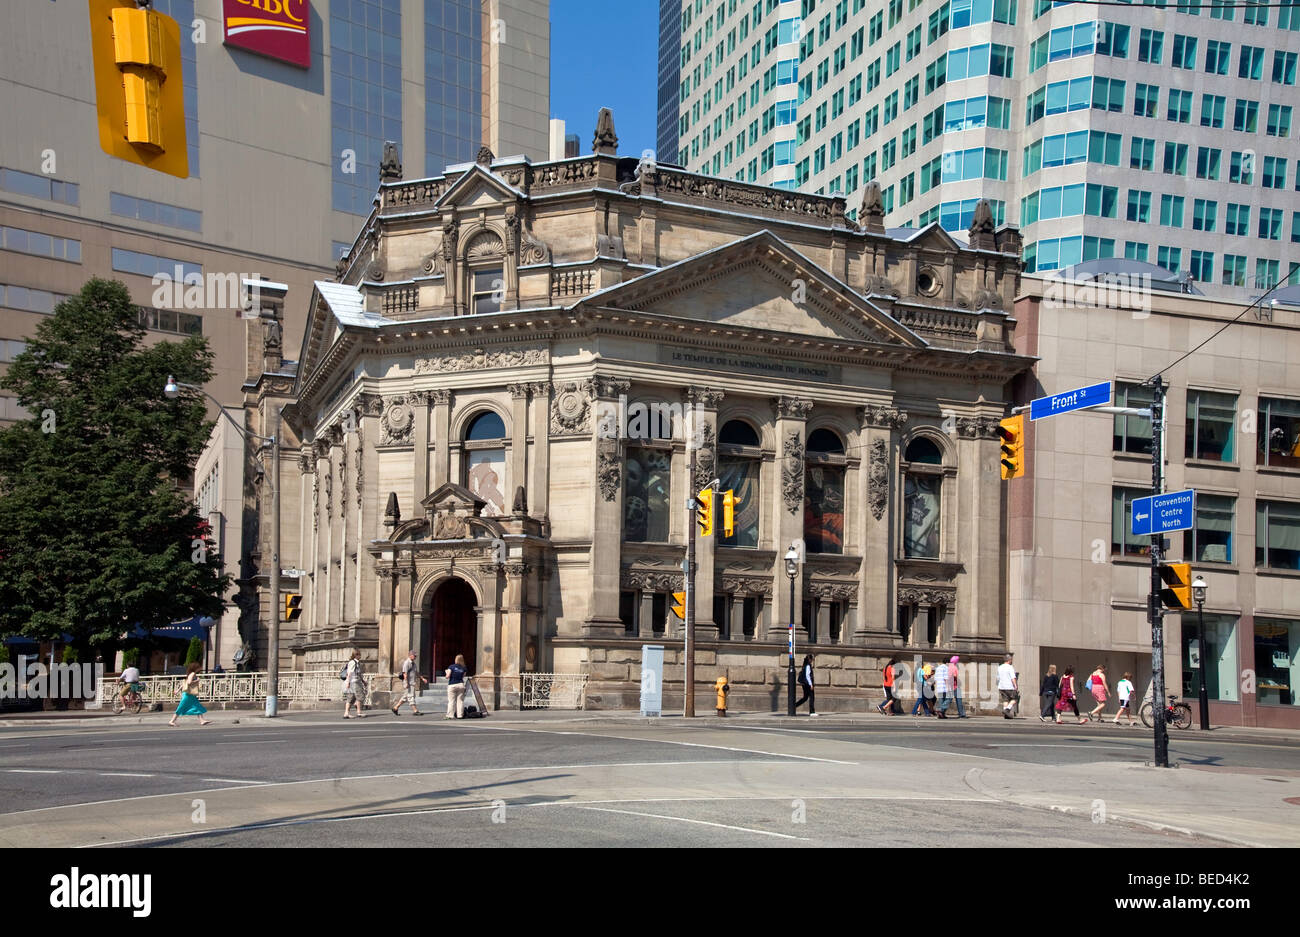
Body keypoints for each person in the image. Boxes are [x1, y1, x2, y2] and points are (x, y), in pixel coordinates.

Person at [391, 650, 425, 716]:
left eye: (416, 656)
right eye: (414, 656)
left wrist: (422, 678)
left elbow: (416, 672)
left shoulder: (413, 663)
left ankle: (395, 708)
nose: (415, 657)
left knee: (405, 697)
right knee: (410, 696)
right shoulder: (407, 663)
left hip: (412, 682)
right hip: (408, 683)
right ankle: (415, 711)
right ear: (410, 655)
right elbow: (405, 673)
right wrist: (406, 683)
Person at [342, 650, 366, 719]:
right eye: (359, 655)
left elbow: (358, 673)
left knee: (351, 698)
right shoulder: (353, 663)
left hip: (353, 682)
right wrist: (348, 682)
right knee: (360, 696)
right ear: (356, 655)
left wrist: (363, 681)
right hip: (354, 682)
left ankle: (346, 713)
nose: (360, 656)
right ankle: (359, 712)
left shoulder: (356, 663)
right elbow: (350, 673)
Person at [446, 653, 468, 719]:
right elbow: (463, 676)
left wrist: (446, 672)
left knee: (451, 701)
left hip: (452, 684)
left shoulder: (451, 666)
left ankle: (450, 715)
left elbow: (448, 676)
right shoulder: (464, 668)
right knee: (460, 701)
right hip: (461, 685)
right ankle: (460, 715)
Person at [997, 653, 1018, 718]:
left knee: (1005, 700)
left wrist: (998, 684)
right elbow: (1013, 677)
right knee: (1015, 699)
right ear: (1009, 660)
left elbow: (997, 678)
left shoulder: (999, 667)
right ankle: (1007, 709)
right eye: (1011, 660)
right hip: (1009, 686)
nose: (1011, 661)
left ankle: (1006, 715)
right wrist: (1015, 685)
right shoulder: (1010, 667)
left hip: (1001, 686)